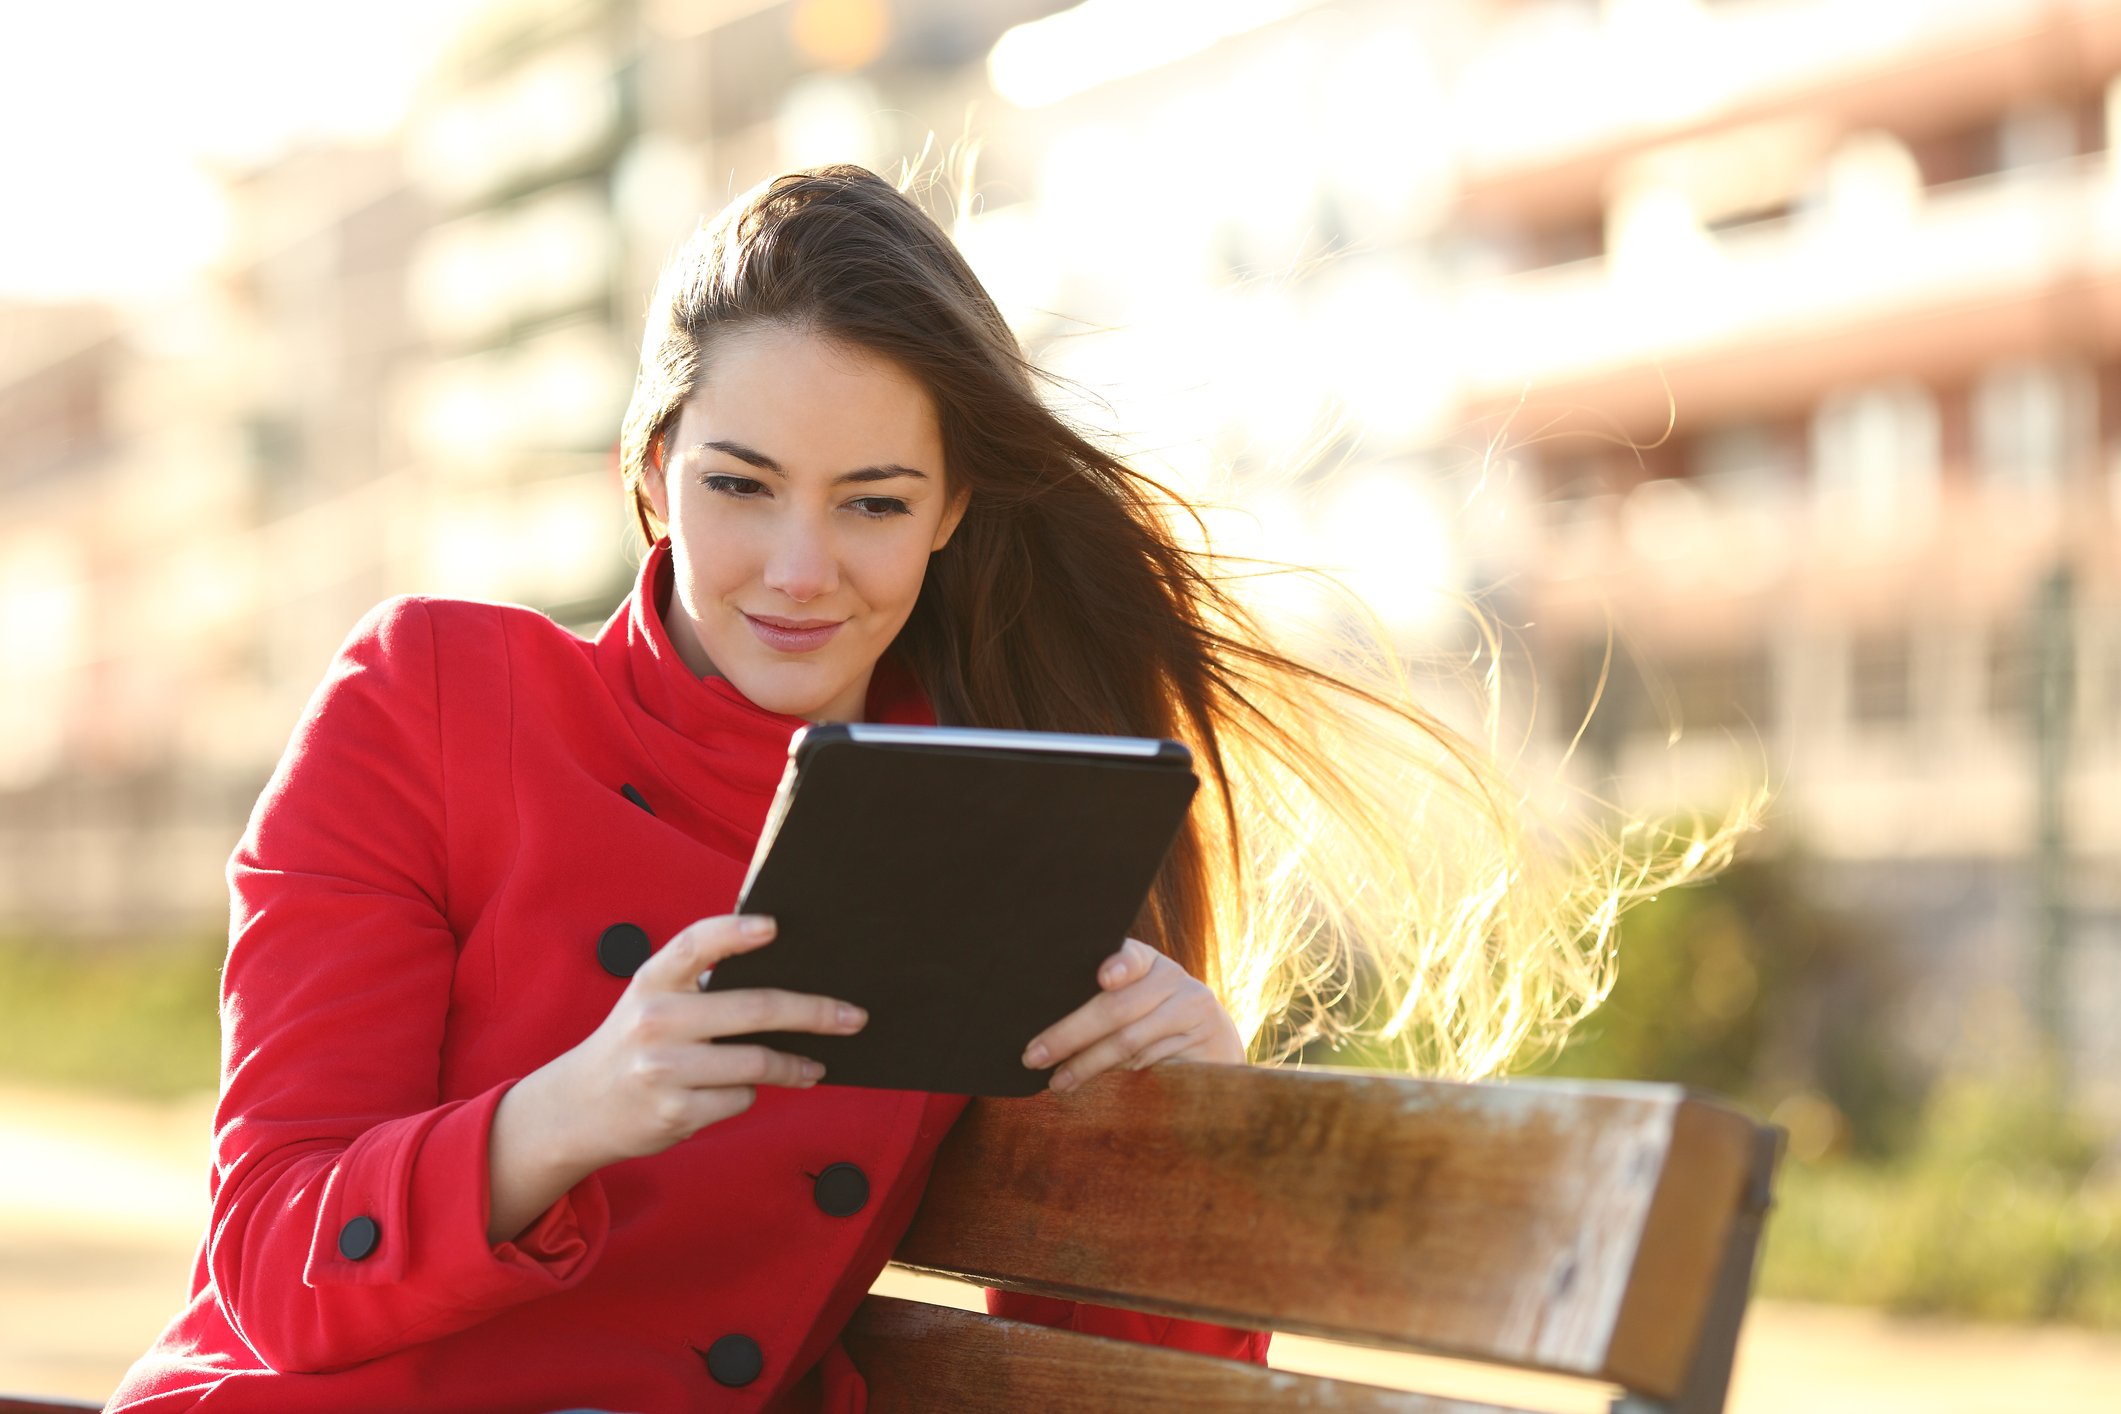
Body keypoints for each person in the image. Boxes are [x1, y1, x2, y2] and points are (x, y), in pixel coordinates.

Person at [111, 163, 1743, 1412]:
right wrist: (575, 1108)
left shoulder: (1000, 815)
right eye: (740, 486)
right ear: (650, 471)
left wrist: (1172, 1107)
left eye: (874, 504)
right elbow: (267, 1257)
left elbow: (1129, 1386)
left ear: (955, 509)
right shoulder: (433, 700)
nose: (798, 569)